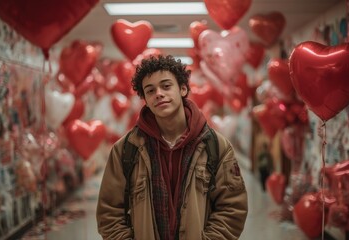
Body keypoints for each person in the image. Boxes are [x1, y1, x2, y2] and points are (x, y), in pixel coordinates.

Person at [96, 55, 248, 240]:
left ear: (183, 89)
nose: (158, 93)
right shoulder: (126, 149)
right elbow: (109, 213)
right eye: (150, 91)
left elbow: (232, 208)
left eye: (166, 86)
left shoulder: (216, 146)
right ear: (145, 99)